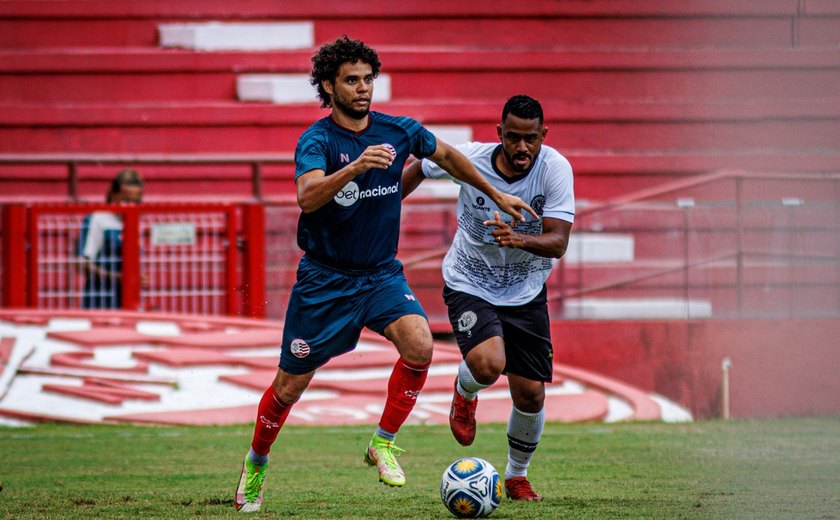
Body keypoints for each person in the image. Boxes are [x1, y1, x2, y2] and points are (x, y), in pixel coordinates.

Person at [234, 37, 537, 513]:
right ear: (329, 86)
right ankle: (256, 463)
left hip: (379, 276)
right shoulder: (317, 140)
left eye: (368, 79)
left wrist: (496, 194)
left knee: (420, 344)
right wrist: (356, 167)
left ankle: (383, 442)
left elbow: (449, 157)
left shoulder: (399, 131)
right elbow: (308, 197)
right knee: (289, 387)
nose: (362, 89)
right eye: (351, 80)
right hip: (324, 281)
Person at [402, 94, 575, 502]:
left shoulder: (555, 169)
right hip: (470, 282)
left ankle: (516, 476)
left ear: (542, 136)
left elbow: (559, 241)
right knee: (488, 363)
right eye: (513, 137)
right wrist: (388, 206)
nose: (521, 148)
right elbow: (421, 166)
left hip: (526, 291)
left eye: (530, 139)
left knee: (530, 393)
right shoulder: (470, 159)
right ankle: (464, 393)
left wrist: (517, 238)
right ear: (499, 133)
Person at [76, 168, 144, 309]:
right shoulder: (97, 219)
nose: (130, 205)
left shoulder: (136, 221)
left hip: (128, 301)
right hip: (99, 300)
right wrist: (118, 278)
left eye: (135, 201)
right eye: (125, 199)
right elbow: (82, 264)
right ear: (113, 195)